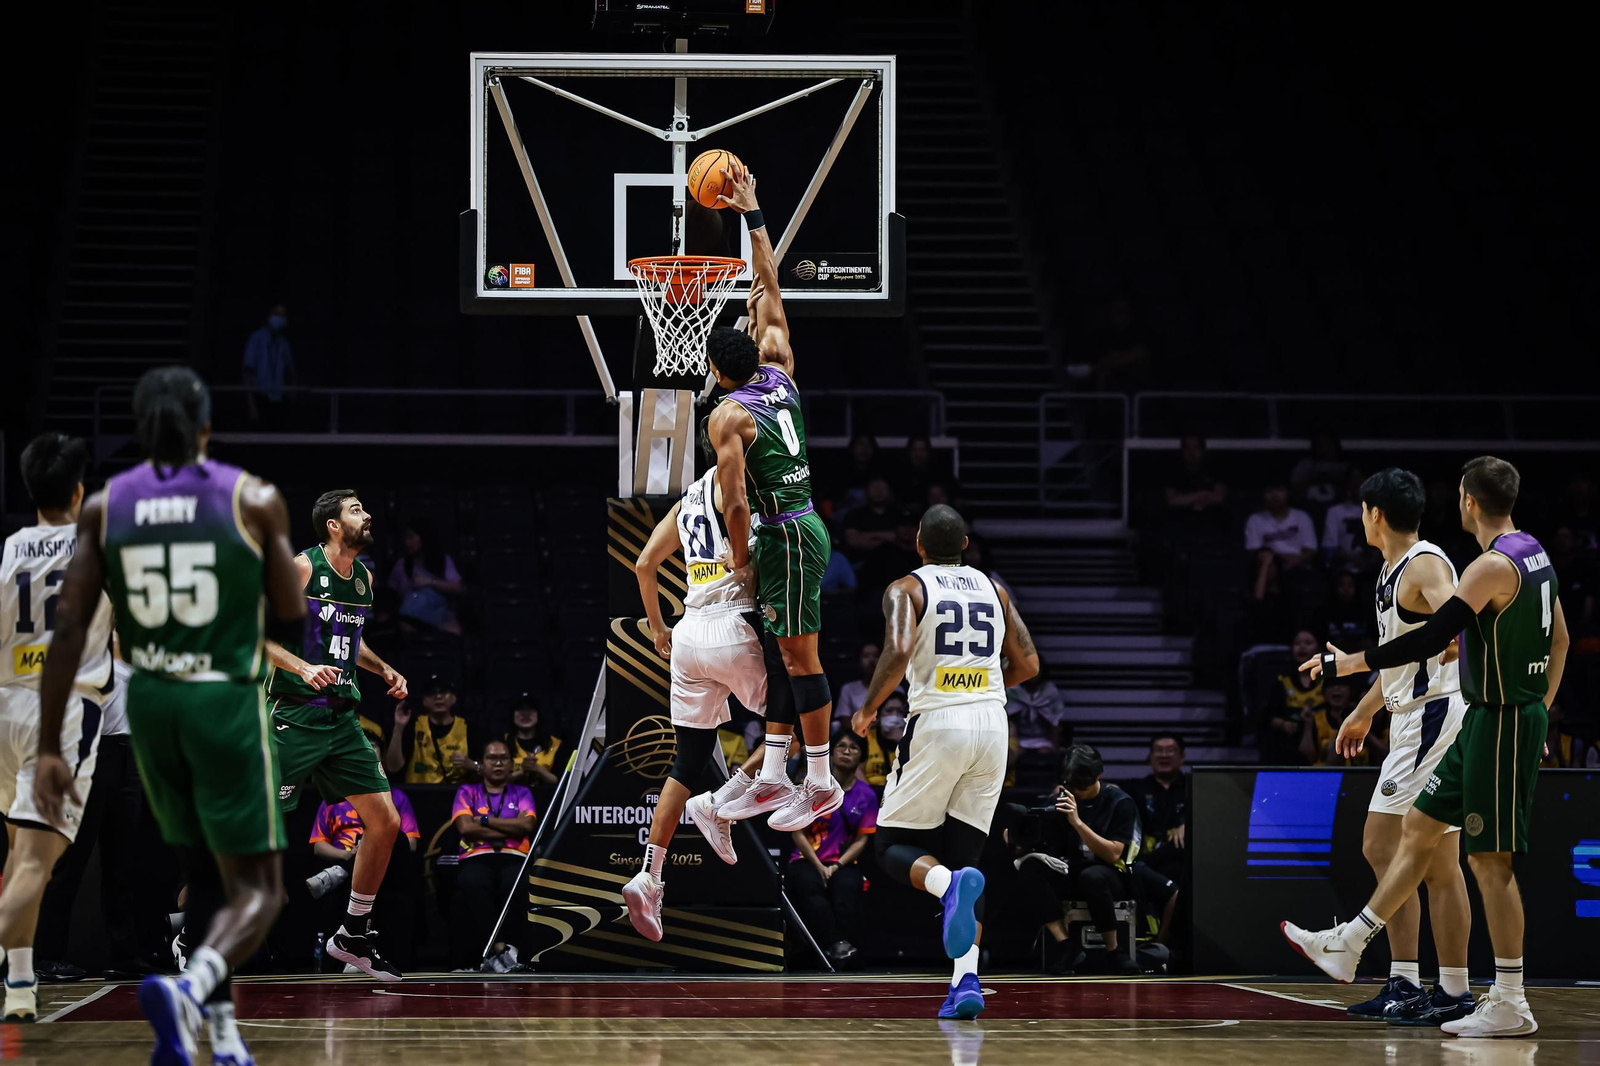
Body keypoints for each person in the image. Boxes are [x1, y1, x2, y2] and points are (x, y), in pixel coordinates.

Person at [33, 366, 307, 1065]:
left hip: (150, 702)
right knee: (261, 888)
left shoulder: (104, 505)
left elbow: (69, 630)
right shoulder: (252, 497)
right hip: (220, 696)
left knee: (205, 875)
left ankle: (219, 1036)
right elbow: (290, 609)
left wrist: (50, 747)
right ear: (207, 425)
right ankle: (196, 989)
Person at [1285, 456, 1568, 1038]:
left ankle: (1463, 988)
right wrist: (1366, 707)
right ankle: (1401, 968)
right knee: (1423, 845)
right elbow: (1556, 639)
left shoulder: (1456, 565)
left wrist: (1348, 664)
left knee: (1473, 861)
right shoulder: (1530, 552)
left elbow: (1446, 636)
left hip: (1457, 716)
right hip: (1476, 714)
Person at [851, 504, 1041, 1019]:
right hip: (992, 726)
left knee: (889, 846)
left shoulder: (906, 588)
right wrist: (985, 684)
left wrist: (868, 709)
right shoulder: (994, 590)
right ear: (965, 545)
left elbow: (895, 651)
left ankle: (943, 885)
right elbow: (1029, 663)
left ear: (918, 544)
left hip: (938, 721)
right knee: (968, 861)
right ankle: (966, 983)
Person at [705, 161, 844, 832]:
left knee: (799, 656)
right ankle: (771, 773)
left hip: (782, 531)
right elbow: (768, 282)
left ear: (713, 370)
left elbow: (735, 502)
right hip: (801, 520)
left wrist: (739, 561)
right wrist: (752, 212)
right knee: (782, 650)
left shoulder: (727, 415)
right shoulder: (781, 365)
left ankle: (819, 780)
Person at [1309, 467, 1474, 1025]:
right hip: (1411, 717)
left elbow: (1455, 625)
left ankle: (1409, 978)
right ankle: (1438, 987)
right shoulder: (1389, 570)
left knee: (1382, 844)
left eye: (1361, 511)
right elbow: (1402, 652)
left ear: (1374, 514)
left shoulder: (1425, 563)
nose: (1360, 520)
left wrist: (1448, 643)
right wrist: (1361, 711)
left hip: (1433, 718)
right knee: (1439, 865)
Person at [621, 462, 795, 940]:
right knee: (795, 725)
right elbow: (750, 552)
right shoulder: (736, 487)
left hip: (688, 633)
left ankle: (649, 876)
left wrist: (658, 627)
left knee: (688, 759)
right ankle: (720, 803)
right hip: (731, 623)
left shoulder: (686, 500)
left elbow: (643, 564)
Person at [263, 488, 409, 982]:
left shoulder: (363, 579)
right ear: (331, 524)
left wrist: (382, 667)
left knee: (385, 823)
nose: (367, 516)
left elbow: (350, 638)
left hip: (341, 718)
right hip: (293, 714)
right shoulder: (301, 568)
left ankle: (352, 934)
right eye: (355, 510)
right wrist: (303, 667)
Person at [0, 432, 115, 1020]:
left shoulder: (8, 548)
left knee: (19, 853)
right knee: (35, 867)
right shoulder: (98, 546)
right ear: (78, 490)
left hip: (4, 706)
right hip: (63, 710)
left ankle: (20, 985)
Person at [36, 652, 167, 983]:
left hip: (131, 755)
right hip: (91, 755)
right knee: (72, 859)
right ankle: (47, 956)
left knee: (122, 862)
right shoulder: (89, 659)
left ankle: (124, 955)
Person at [1011, 745, 1142, 976]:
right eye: (1073, 786)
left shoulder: (1120, 802)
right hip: (1072, 869)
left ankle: (1114, 950)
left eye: (1083, 786)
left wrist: (1077, 822)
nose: (1078, 792)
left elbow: (1113, 854)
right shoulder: (1060, 800)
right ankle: (1067, 946)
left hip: (1111, 874)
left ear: (1098, 776)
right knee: (1030, 867)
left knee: (1091, 876)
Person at [786, 729, 877, 965]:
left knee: (846, 891)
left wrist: (836, 866)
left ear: (861, 757)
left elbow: (861, 840)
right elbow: (797, 831)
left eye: (854, 748)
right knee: (809, 885)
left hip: (843, 863)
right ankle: (835, 945)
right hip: (806, 861)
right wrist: (818, 866)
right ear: (831, 753)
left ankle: (844, 951)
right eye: (841, 746)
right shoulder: (811, 787)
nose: (847, 751)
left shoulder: (866, 795)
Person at [450, 740, 536, 969]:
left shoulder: (522, 792)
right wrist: (509, 825)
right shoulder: (467, 791)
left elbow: (526, 827)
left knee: (515, 883)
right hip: (476, 856)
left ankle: (505, 954)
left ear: (510, 764)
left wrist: (485, 820)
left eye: (504, 758)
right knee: (474, 881)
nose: (498, 763)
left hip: (514, 855)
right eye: (492, 758)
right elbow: (465, 828)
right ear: (482, 764)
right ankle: (501, 949)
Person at [386, 677, 489, 785]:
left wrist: (472, 765)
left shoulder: (469, 729)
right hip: (417, 794)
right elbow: (393, 767)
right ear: (424, 701)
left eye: (444, 692)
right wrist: (399, 727)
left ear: (453, 698)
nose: (438, 696)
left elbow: (491, 772)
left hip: (457, 797)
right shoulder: (413, 726)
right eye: (432, 693)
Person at [1124, 734, 1188, 883]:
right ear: (1150, 756)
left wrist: (1191, 825)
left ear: (1182, 757)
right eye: (1158, 750)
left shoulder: (1195, 787)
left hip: (1182, 863)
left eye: (1170, 750)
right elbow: (1104, 790)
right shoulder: (1135, 788)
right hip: (1148, 862)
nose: (1164, 755)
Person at [388, 520, 466, 635]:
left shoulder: (444, 561)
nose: (407, 542)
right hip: (410, 620)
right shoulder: (401, 565)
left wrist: (430, 582)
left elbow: (459, 588)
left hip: (440, 617)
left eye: (411, 538)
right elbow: (391, 593)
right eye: (406, 538)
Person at [1246, 482, 1319, 603]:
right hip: (1269, 573)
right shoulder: (1255, 520)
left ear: (1288, 493)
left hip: (1299, 571)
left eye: (1279, 489)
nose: (1274, 495)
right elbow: (1254, 552)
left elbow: (1310, 551)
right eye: (1269, 491)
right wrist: (1278, 563)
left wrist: (1288, 561)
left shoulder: (1302, 517)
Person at [1260, 630, 1325, 764]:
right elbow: (1268, 717)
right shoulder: (1282, 680)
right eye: (1297, 644)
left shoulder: (1329, 679)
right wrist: (1283, 724)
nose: (1302, 647)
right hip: (1289, 744)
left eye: (1308, 643)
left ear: (1319, 648)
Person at [1302, 680, 1387, 767]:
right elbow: (1307, 758)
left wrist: (1362, 732)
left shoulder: (1368, 716)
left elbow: (1387, 753)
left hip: (1367, 775)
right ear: (1323, 694)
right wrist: (1308, 726)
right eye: (1331, 685)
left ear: (1350, 691)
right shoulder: (1317, 719)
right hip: (1328, 775)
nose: (1336, 689)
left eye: (1342, 685)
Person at [241, 303, 295, 427]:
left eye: (283, 315)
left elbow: (290, 372)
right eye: (276, 314)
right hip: (260, 398)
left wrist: (292, 394)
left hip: (279, 400)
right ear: (269, 315)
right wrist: (251, 404)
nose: (279, 318)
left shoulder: (284, 343)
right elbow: (246, 372)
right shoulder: (256, 338)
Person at [505, 696, 562, 788]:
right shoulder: (502, 743)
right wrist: (521, 772)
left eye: (530, 709)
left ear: (538, 714)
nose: (525, 714)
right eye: (520, 710)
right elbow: (496, 780)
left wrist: (538, 769)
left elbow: (560, 781)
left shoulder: (555, 744)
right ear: (512, 715)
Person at [860, 691, 909, 788]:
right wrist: (870, 795)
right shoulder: (866, 737)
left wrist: (902, 743)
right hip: (871, 791)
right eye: (889, 711)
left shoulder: (910, 739)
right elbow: (856, 770)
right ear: (878, 715)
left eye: (899, 712)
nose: (894, 716)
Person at [833, 643, 881, 725]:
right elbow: (844, 720)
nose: (871, 660)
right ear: (859, 662)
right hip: (857, 734)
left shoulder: (895, 689)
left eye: (876, 656)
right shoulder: (848, 689)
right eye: (866, 656)